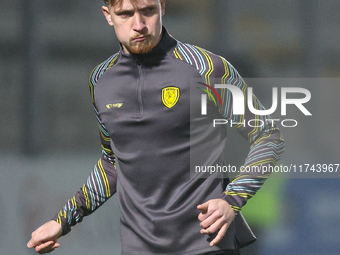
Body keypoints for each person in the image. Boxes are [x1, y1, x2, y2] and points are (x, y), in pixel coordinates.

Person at [27, 0, 285, 254]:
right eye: (125, 14)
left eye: (148, 11)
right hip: (139, 248)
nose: (138, 24)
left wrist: (232, 200)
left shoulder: (207, 69)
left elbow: (267, 135)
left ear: (162, 6)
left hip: (205, 244)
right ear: (108, 15)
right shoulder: (101, 80)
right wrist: (62, 220)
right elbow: (113, 162)